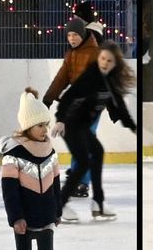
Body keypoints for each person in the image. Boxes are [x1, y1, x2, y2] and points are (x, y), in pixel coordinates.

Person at [0, 88, 62, 250]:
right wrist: (16, 218)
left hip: (46, 217)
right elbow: (9, 191)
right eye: (39, 126)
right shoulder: (12, 154)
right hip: (24, 220)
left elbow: (55, 183)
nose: (44, 130)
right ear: (27, 127)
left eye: (46, 124)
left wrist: (57, 211)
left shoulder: (50, 152)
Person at [54, 41, 136, 222]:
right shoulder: (90, 76)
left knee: (97, 152)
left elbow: (119, 105)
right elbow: (68, 96)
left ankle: (98, 203)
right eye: (102, 58)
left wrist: (132, 126)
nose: (105, 63)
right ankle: (58, 205)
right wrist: (60, 119)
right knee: (83, 162)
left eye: (109, 60)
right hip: (70, 124)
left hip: (82, 126)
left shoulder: (110, 81)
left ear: (115, 64)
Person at [42, 16, 100, 198]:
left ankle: (82, 183)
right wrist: (47, 99)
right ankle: (79, 175)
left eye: (75, 35)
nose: (72, 38)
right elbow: (61, 78)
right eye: (69, 35)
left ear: (82, 34)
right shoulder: (72, 54)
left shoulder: (94, 53)